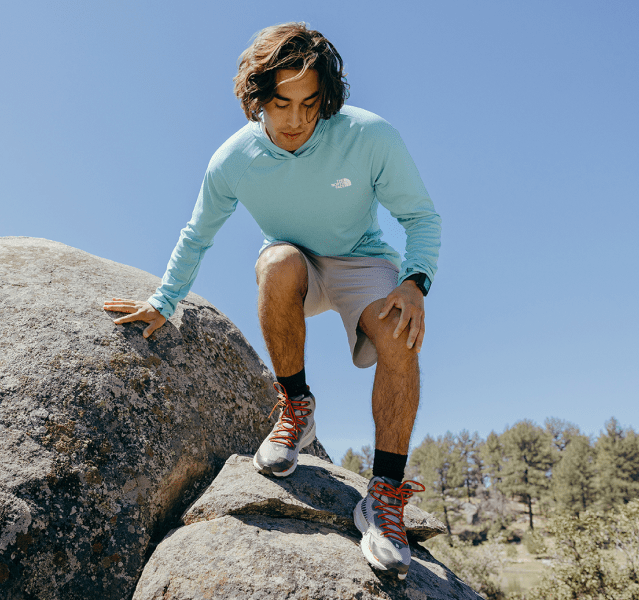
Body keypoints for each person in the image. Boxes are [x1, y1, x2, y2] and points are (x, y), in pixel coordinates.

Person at [102, 22, 440, 579]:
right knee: (276, 263)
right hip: (295, 266)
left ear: (327, 99)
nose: (296, 119)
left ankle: (383, 495)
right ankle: (297, 408)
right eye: (282, 103)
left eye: (311, 104)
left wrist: (415, 281)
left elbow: (421, 218)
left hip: (361, 261)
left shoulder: (370, 136)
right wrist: (164, 301)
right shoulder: (233, 160)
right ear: (256, 98)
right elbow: (197, 235)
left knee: (402, 330)